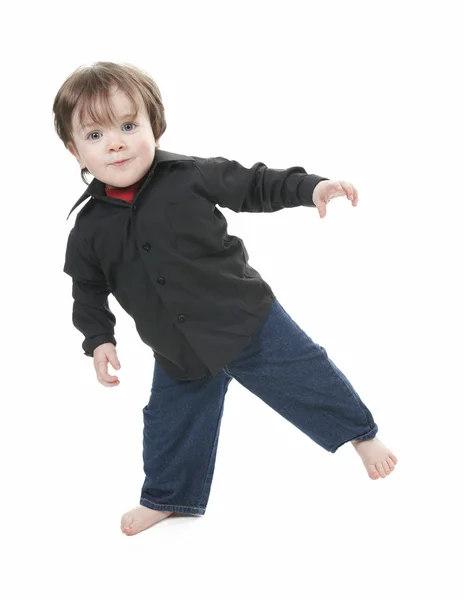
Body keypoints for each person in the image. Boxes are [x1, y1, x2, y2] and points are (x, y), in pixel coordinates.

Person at [54, 61, 398, 537]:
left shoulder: (192, 175)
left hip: (246, 320)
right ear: (74, 151)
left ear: (155, 125)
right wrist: (98, 339)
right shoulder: (88, 230)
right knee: (170, 422)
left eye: (129, 126)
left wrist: (311, 187)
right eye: (95, 135)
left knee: (305, 374)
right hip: (177, 347)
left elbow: (256, 183)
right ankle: (168, 497)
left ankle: (361, 435)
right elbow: (87, 289)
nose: (115, 142)